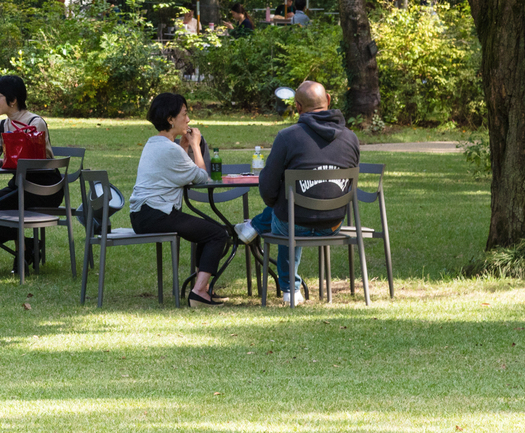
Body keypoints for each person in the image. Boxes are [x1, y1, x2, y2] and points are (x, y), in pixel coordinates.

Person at [244, 79, 360, 305]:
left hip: (293, 224)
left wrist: (276, 203)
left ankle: (289, 290)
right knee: (290, 209)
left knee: (287, 211)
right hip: (334, 223)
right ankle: (256, 226)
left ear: (297, 106)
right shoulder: (351, 138)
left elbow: (267, 189)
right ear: (328, 100)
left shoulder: (287, 137)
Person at [128, 92, 228, 305]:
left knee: (209, 230)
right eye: (184, 114)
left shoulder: (154, 144)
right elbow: (201, 177)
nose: (188, 119)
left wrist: (182, 147)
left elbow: (175, 170)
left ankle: (203, 289)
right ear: (170, 119)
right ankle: (199, 292)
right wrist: (194, 145)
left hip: (145, 214)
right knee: (218, 234)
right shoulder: (169, 150)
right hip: (156, 214)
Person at [0, 76, 61, 265]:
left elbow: (28, 161)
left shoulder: (35, 123)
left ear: (13, 100)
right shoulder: (2, 125)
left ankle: (23, 253)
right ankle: (27, 246)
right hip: (21, 186)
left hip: (44, 187)